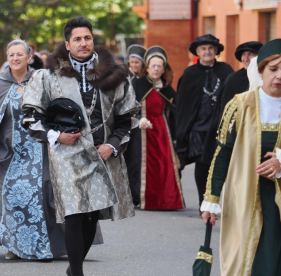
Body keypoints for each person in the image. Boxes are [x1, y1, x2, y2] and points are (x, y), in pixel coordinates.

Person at [21, 17, 138, 276]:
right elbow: (30, 117)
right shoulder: (47, 76)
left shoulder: (115, 74)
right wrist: (56, 136)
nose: (83, 43)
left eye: (87, 38)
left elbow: (127, 119)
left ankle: (74, 269)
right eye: (77, 39)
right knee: (74, 212)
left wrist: (112, 145)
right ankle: (78, 273)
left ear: (93, 41)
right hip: (67, 154)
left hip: (102, 153)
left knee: (91, 214)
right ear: (67, 44)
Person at [0, 39, 67, 260]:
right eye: (11, 55)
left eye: (20, 54)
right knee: (9, 197)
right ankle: (12, 246)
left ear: (29, 57)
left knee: (42, 197)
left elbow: (58, 110)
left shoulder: (42, 80)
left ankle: (48, 245)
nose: (15, 58)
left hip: (40, 150)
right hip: (8, 153)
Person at [201, 38, 281, 276]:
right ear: (260, 71)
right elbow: (223, 152)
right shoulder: (240, 105)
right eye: (274, 69)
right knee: (249, 261)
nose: (279, 76)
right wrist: (211, 199)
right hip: (246, 198)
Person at [176, 34, 233, 207]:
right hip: (198, 128)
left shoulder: (226, 70)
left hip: (219, 128)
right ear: (198, 52)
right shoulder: (190, 73)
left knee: (219, 164)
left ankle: (215, 198)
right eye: (204, 49)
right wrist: (182, 129)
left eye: (211, 48)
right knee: (202, 164)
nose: (207, 52)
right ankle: (204, 200)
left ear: (216, 51)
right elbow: (182, 103)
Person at [125, 46, 184, 210]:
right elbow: (127, 108)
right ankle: (140, 197)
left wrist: (175, 137)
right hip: (141, 131)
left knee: (163, 165)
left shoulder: (167, 88)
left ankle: (165, 198)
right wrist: (139, 119)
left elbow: (174, 114)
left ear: (164, 69)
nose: (156, 69)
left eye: (160, 66)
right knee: (138, 164)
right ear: (147, 67)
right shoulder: (137, 85)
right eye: (154, 66)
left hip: (161, 131)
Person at [202, 41, 263, 165]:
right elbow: (224, 112)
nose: (246, 58)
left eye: (250, 54)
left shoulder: (267, 78)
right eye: (243, 55)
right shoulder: (233, 79)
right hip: (237, 136)